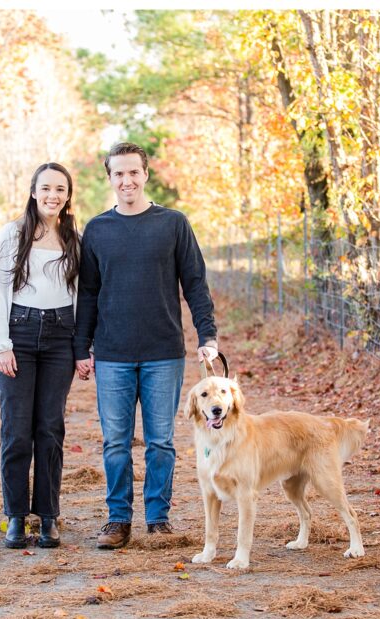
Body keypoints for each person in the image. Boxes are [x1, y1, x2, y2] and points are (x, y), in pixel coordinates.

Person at [74, 142, 219, 550]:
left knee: (160, 442)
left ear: (145, 174)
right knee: (116, 442)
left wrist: (207, 336)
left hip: (163, 352)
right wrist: (81, 348)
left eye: (133, 172)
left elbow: (195, 284)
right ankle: (118, 520)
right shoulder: (98, 230)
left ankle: (158, 520)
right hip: (113, 354)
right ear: (110, 179)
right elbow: (87, 294)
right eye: (118, 174)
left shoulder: (172, 223)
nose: (127, 180)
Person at [0, 162, 80, 549]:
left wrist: (80, 346)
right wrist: (1, 345)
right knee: (16, 431)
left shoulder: (75, 236)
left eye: (60, 189)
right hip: (19, 334)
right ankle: (15, 517)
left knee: (50, 430)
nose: (52, 195)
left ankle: (48, 517)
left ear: (68, 195)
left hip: (60, 338)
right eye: (46, 188)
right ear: (33, 191)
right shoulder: (13, 234)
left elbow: (80, 294)